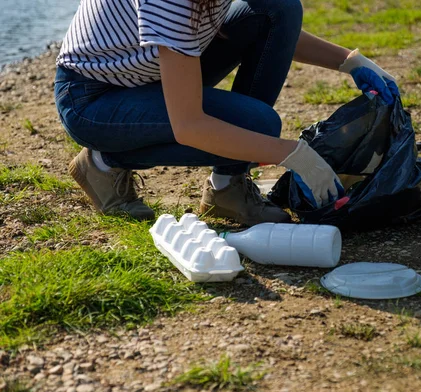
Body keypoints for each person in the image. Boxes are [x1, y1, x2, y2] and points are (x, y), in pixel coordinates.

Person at [54, 0, 398, 225]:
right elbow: (189, 126)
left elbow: (276, 27)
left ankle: (226, 187)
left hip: (156, 70)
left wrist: (349, 61)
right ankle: (103, 160)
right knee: (259, 125)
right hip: (95, 100)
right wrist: (294, 155)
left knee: (279, 7)